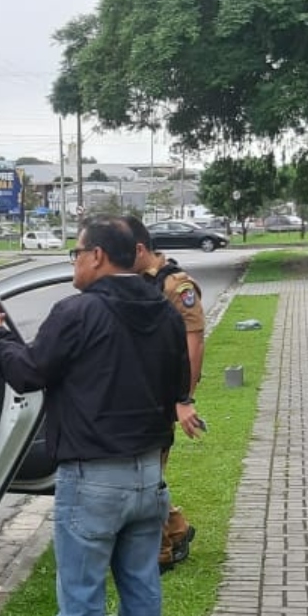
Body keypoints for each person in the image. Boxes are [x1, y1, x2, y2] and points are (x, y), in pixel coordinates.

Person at [0, 216, 203, 616]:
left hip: (93, 477)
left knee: (81, 596)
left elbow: (29, 373)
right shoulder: (164, 312)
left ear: (98, 256)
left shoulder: (76, 312)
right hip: (148, 474)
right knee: (142, 590)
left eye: (77, 252)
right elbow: (179, 384)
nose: (73, 262)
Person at [125, 215, 204, 570]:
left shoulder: (176, 285)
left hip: (163, 395)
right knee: (144, 473)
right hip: (139, 392)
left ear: (139, 248)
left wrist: (182, 398)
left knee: (147, 477)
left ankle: (160, 553)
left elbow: (193, 343)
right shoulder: (134, 282)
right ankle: (175, 526)